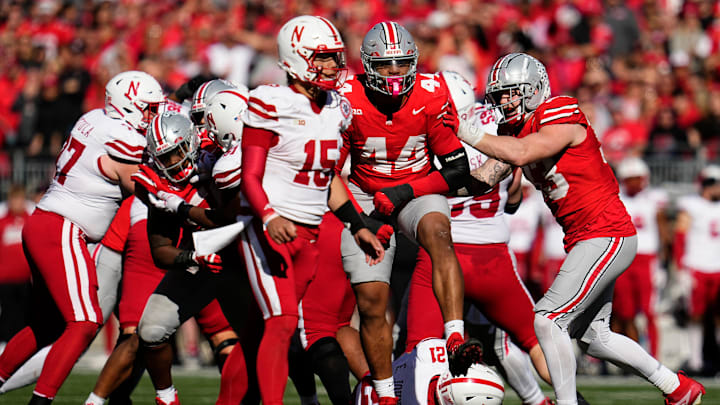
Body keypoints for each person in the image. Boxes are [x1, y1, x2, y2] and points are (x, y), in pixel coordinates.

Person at [456, 52, 705, 405]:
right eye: (500, 95)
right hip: (585, 238)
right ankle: (678, 388)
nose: (505, 102)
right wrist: (421, 187)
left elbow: (526, 151)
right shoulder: (512, 131)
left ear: (535, 89)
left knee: (546, 320)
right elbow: (484, 178)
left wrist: (465, 130)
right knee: (595, 338)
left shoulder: (560, 110)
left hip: (606, 231)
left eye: (513, 93)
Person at [238, 15, 384, 405]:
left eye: (336, 57)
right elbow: (249, 176)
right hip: (269, 230)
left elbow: (329, 179)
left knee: (270, 330)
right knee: (283, 323)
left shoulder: (336, 108)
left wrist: (357, 225)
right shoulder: (271, 101)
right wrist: (270, 216)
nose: (337, 65)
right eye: (325, 57)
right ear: (298, 58)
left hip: (312, 234)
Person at [0, 70, 162, 405]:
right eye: (148, 108)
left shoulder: (95, 118)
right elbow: (144, 190)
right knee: (85, 322)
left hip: (47, 222)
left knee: (45, 325)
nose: (152, 116)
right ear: (128, 105)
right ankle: (40, 402)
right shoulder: (125, 138)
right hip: (63, 228)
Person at [337, 22, 478, 405]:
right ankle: (384, 392)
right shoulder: (346, 97)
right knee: (370, 299)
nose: (396, 73)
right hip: (364, 192)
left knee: (438, 233)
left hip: (416, 187)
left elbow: (456, 168)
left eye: (403, 64)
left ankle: (454, 333)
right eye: (386, 66)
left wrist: (404, 191)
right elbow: (333, 170)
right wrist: (359, 216)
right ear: (368, 66)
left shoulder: (432, 93)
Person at [404, 70, 552, 405]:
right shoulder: (497, 127)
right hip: (493, 258)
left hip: (441, 255)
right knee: (534, 340)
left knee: (420, 347)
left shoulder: (428, 132)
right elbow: (514, 192)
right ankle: (563, 398)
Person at [612, 157, 669, 358]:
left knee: (648, 312)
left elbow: (663, 232)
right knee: (625, 311)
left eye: (637, 178)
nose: (634, 183)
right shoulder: (616, 198)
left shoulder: (654, 200)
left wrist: (664, 264)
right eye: (630, 179)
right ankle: (635, 357)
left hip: (647, 259)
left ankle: (654, 357)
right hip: (623, 258)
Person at [673, 164, 720, 375]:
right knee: (696, 315)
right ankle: (696, 361)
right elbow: (680, 238)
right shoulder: (691, 206)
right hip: (697, 265)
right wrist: (681, 269)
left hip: (717, 267)